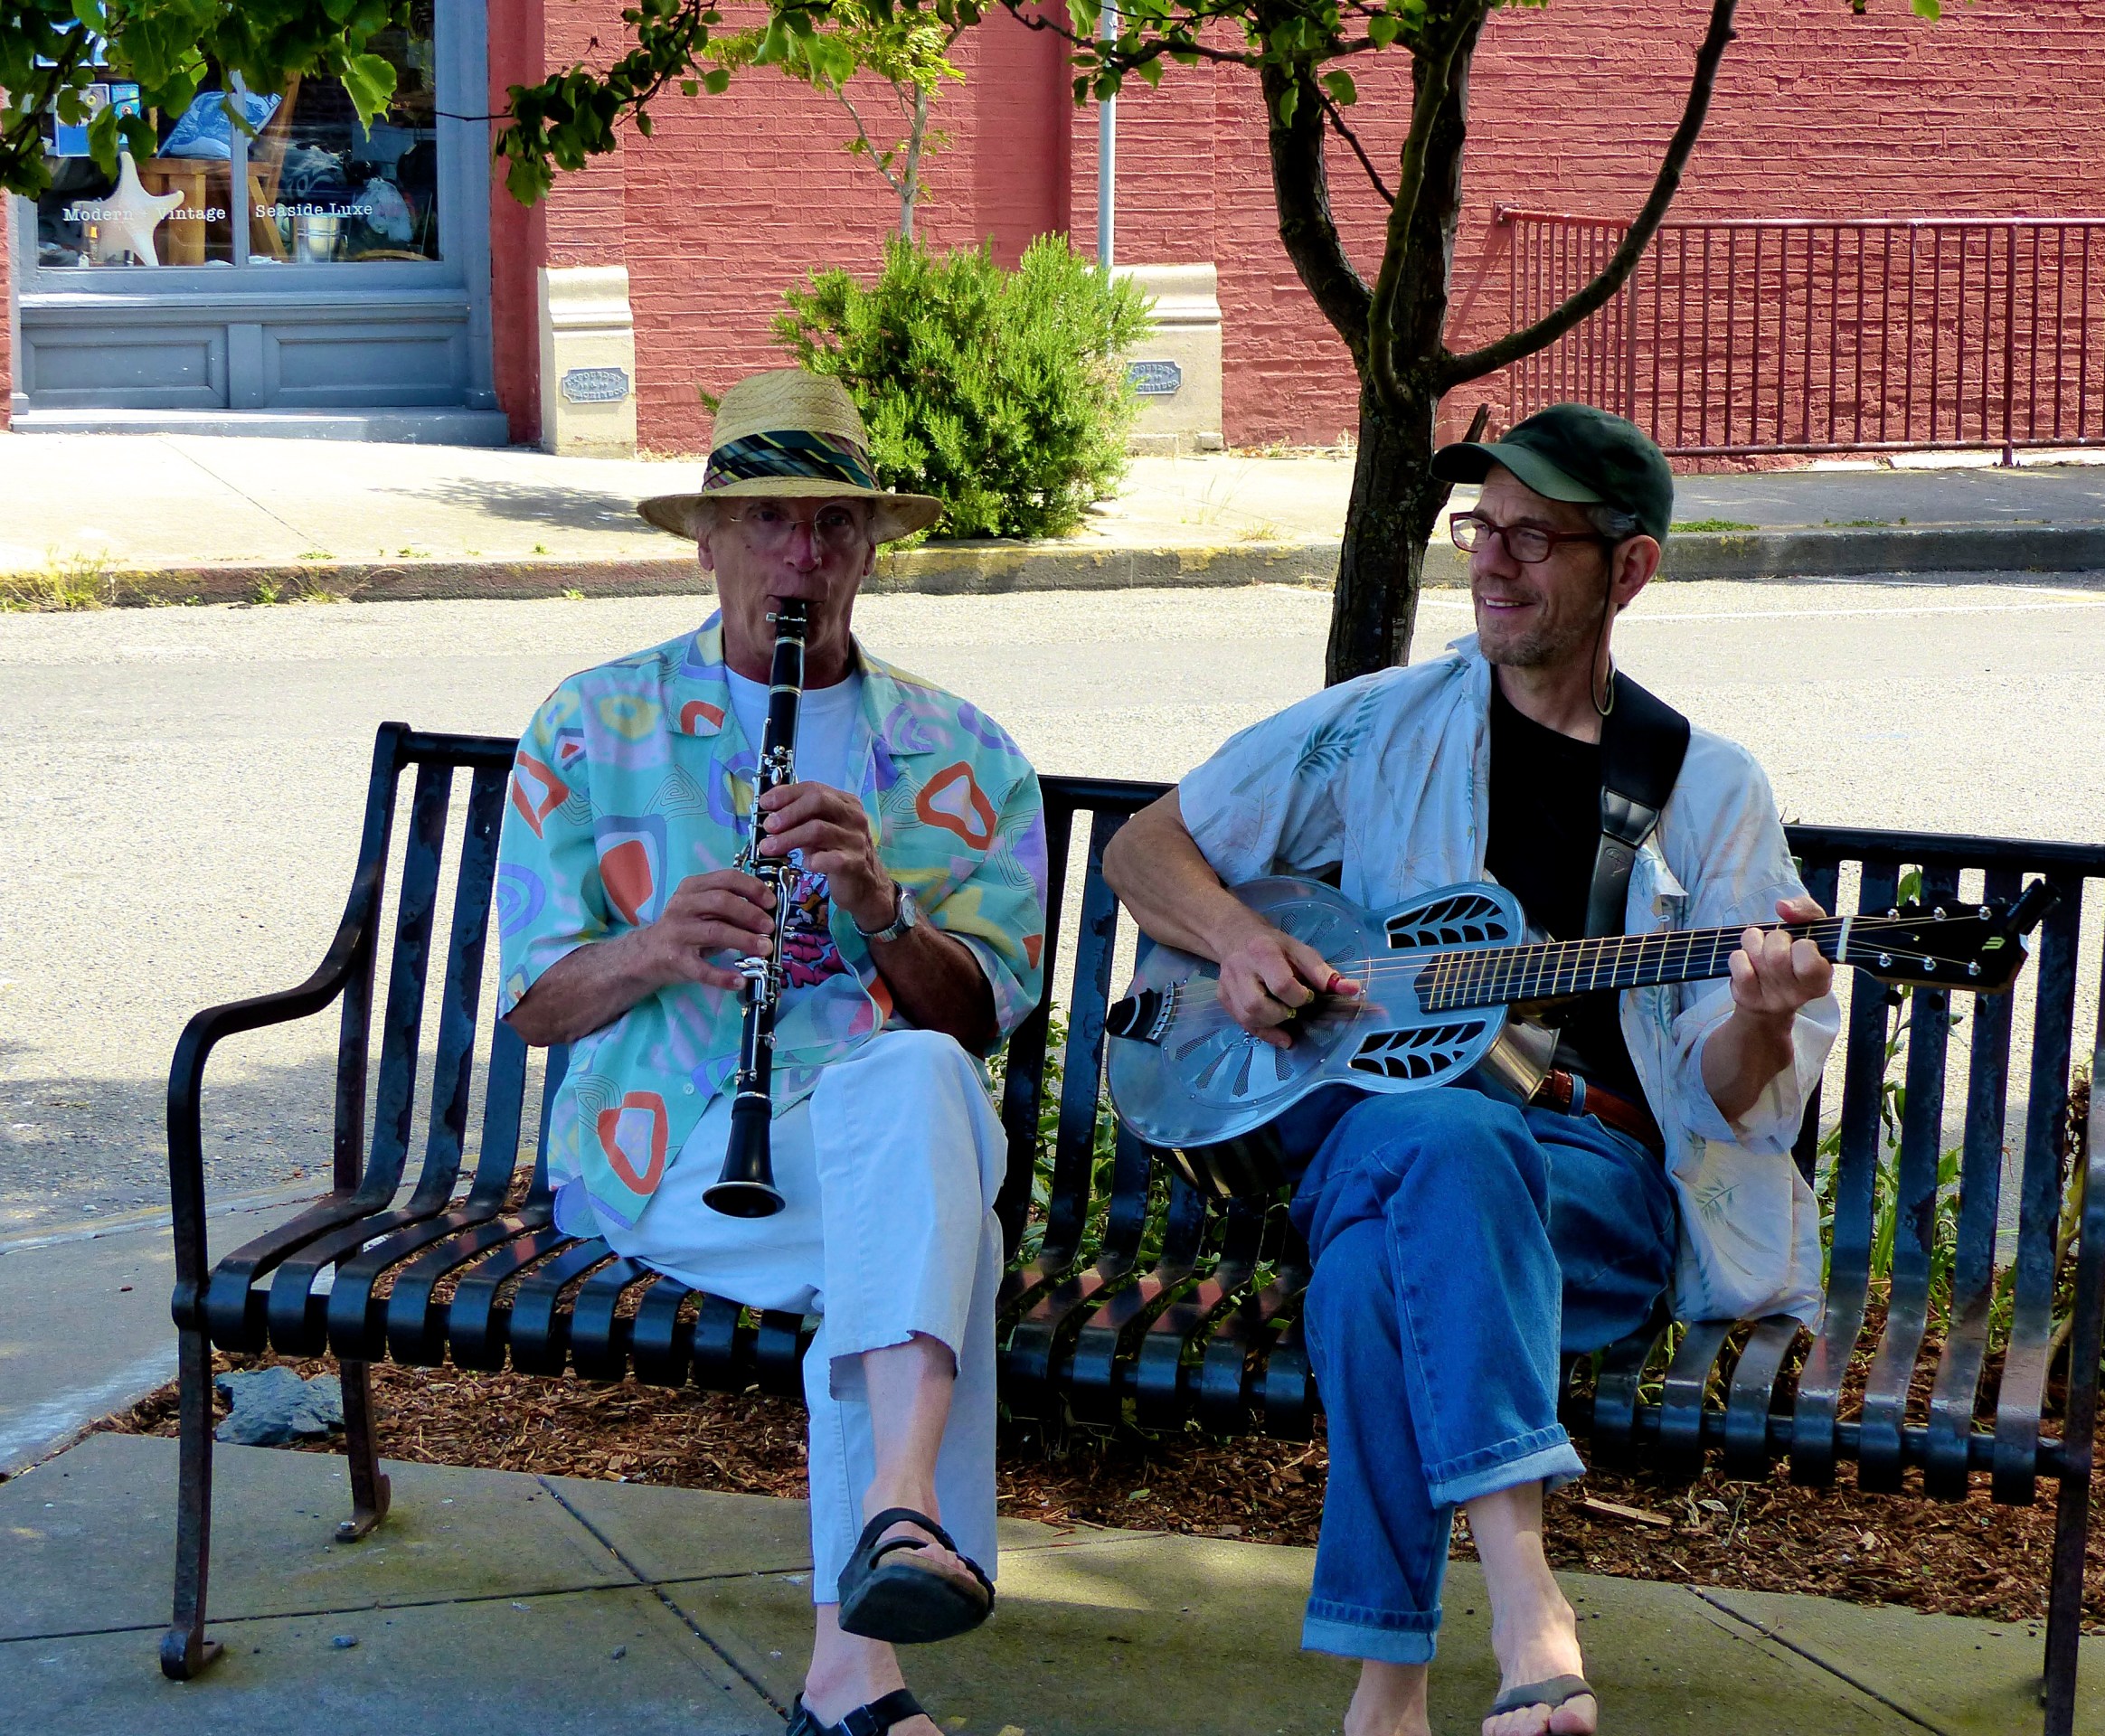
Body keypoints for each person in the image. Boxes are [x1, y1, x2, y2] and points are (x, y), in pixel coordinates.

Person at [1103, 404, 1841, 1736]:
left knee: (1384, 1260)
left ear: (1630, 570)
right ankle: (1523, 1608)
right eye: (1479, 530)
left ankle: (1389, 1690)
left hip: (1591, 1188)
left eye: (1533, 538)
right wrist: (1240, 936)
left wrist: (1771, 1016)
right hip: (1376, 1138)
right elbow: (1145, 849)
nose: (1493, 564)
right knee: (1442, 1138)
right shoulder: (1380, 727)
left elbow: (1739, 1099)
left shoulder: (1703, 791)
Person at [496, 372, 1047, 1736]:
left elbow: (980, 1021)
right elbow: (532, 1011)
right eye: (767, 523)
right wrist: (653, 949)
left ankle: (876, 1585)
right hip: (669, 1143)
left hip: (886, 1130)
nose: (801, 556)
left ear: (871, 549)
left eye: (832, 527)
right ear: (710, 541)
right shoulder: (593, 722)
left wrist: (882, 907)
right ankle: (883, 1584)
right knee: (923, 1247)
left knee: (917, 1084)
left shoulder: (959, 751)